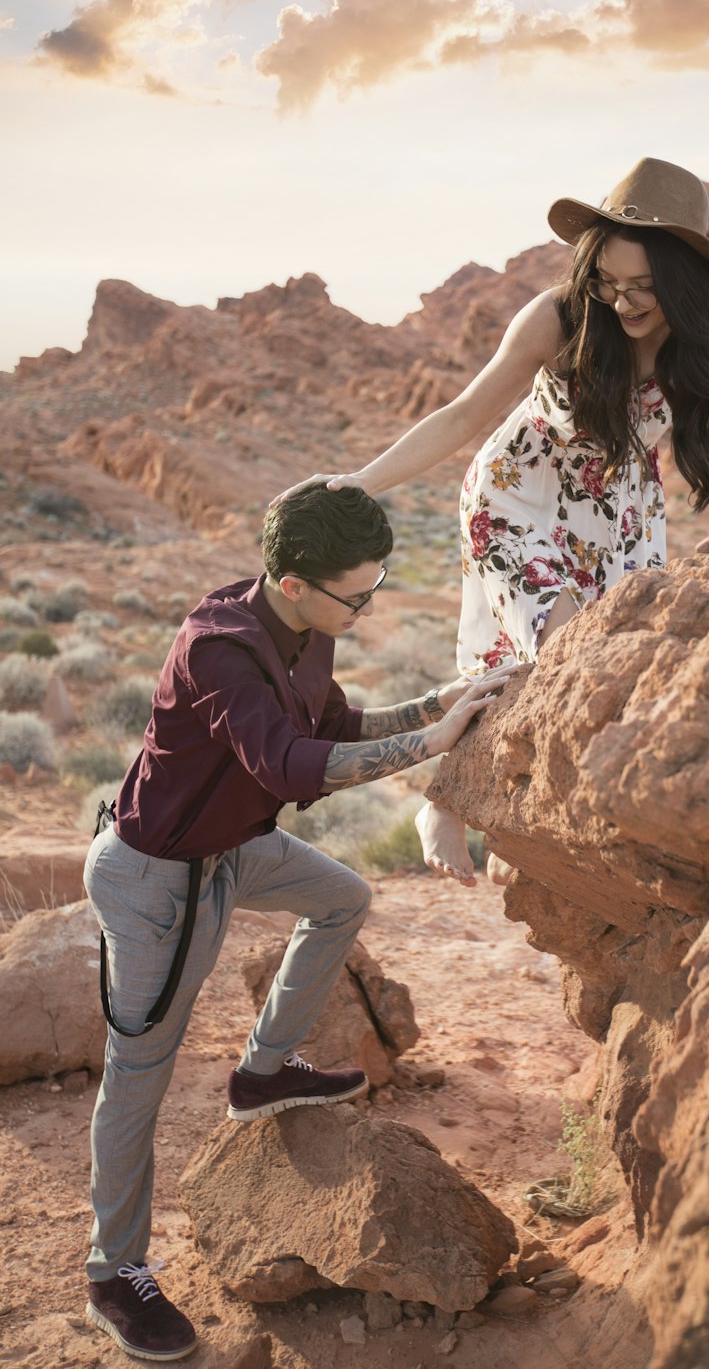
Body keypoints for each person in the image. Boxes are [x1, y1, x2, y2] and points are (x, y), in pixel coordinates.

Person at [83, 485, 508, 1363]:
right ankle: (111, 1272)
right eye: (356, 594)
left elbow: (339, 725)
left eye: (374, 587)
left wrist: (445, 702)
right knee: (139, 1080)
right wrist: (431, 750)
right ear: (292, 581)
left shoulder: (309, 631)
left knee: (343, 896)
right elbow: (288, 763)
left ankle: (261, 1073)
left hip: (233, 848)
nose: (367, 606)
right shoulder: (220, 649)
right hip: (157, 878)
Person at [278, 158, 709, 887]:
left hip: (618, 519)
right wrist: (361, 480)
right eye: (607, 280)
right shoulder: (557, 316)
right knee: (557, 651)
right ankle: (452, 797)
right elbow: (464, 414)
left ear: (684, 280)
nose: (620, 301)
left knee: (598, 671)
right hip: (515, 500)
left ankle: (523, 812)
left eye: (643, 288)